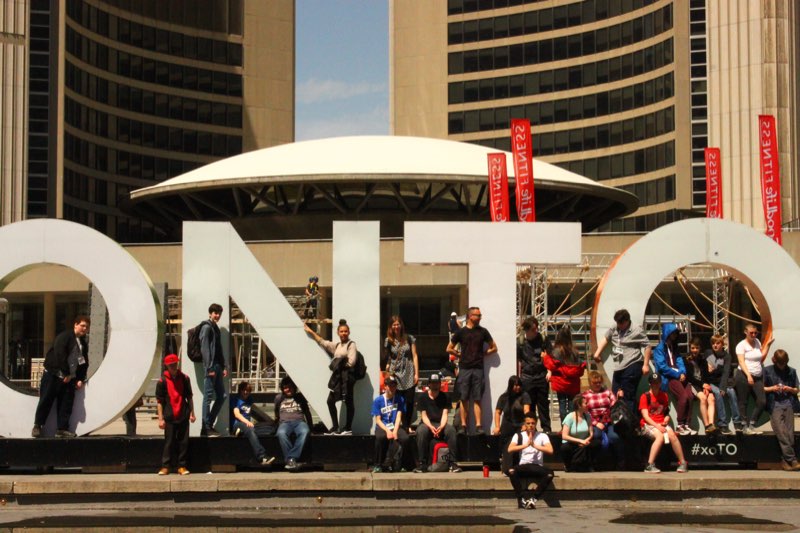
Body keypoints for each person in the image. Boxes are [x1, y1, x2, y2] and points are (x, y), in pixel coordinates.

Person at [32, 315, 90, 438]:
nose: (84, 328)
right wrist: (66, 373)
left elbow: (83, 362)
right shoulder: (65, 337)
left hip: (69, 379)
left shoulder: (83, 343)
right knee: (46, 400)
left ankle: (62, 429)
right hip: (54, 375)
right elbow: (60, 354)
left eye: (87, 326)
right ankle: (37, 426)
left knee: (66, 403)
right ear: (75, 324)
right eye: (82, 325)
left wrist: (79, 378)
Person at [592, 309, 652, 422]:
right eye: (617, 323)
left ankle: (630, 423)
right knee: (615, 394)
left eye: (621, 323)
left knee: (627, 395)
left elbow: (647, 346)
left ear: (627, 321)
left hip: (633, 364)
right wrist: (597, 353)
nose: (619, 325)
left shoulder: (637, 330)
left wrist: (646, 365)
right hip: (619, 366)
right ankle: (618, 420)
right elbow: (606, 338)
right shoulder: (615, 327)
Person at [446, 306, 497, 435]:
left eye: (480, 315)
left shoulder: (483, 332)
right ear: (470, 316)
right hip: (464, 368)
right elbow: (449, 348)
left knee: (477, 398)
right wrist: (459, 355)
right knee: (464, 398)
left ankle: (479, 425)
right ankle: (463, 425)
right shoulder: (461, 332)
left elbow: (494, 347)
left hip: (478, 368)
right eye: (477, 315)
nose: (480, 317)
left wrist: (484, 353)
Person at [305, 318, 357, 435]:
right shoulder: (337, 345)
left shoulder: (351, 344)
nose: (343, 333)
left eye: (345, 331)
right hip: (338, 378)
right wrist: (310, 331)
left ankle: (348, 428)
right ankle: (336, 426)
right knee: (330, 401)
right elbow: (323, 342)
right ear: (338, 333)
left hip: (347, 378)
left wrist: (339, 363)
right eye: (341, 331)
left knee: (348, 401)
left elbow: (352, 361)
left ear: (348, 332)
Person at [639, 373, 689, 474]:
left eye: (657, 383)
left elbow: (666, 412)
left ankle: (683, 462)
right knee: (660, 437)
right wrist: (657, 426)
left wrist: (666, 418)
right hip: (648, 424)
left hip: (661, 423)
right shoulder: (645, 396)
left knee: (673, 436)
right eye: (653, 383)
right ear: (650, 384)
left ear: (660, 383)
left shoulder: (664, 395)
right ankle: (650, 464)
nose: (655, 385)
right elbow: (645, 416)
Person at [652, 323, 696, 435]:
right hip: (668, 378)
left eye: (676, 334)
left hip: (679, 376)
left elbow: (680, 361)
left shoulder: (675, 348)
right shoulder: (659, 349)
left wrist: (683, 373)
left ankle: (687, 424)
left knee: (690, 396)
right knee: (683, 396)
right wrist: (677, 374)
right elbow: (662, 367)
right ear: (667, 334)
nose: (675, 336)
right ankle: (680, 425)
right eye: (672, 334)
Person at [156, 354, 195, 475]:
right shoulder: (162, 381)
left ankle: (182, 466)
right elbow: (160, 402)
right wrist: (160, 419)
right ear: (166, 365)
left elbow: (189, 397)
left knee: (183, 442)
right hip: (169, 416)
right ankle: (165, 466)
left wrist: (192, 413)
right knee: (169, 442)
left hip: (183, 414)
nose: (173, 366)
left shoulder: (185, 378)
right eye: (171, 365)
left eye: (175, 364)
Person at [415, 373, 461, 473]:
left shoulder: (445, 396)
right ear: (429, 384)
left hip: (440, 423)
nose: (435, 385)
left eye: (437, 383)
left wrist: (441, 426)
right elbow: (424, 416)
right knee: (421, 431)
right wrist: (431, 427)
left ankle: (453, 463)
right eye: (433, 383)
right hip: (427, 424)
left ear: (440, 384)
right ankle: (422, 463)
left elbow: (445, 414)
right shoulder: (422, 397)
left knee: (451, 430)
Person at [507, 413, 554, 510]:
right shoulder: (518, 435)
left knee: (550, 474)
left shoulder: (542, 436)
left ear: (536, 424)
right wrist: (526, 445)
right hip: (523, 465)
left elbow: (550, 450)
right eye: (528, 423)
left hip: (537, 466)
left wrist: (535, 446)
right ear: (524, 424)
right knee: (511, 471)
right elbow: (510, 449)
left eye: (533, 423)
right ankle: (521, 499)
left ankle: (534, 499)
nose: (530, 425)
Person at [763, 349, 800, 471]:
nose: (782, 366)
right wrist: (772, 388)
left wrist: (790, 389)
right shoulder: (767, 371)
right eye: (780, 363)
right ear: (775, 361)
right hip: (774, 405)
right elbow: (761, 388)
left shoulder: (792, 371)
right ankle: (793, 460)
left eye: (784, 363)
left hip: (789, 403)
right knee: (782, 433)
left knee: (789, 435)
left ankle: (785, 461)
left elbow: (797, 389)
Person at [735, 323, 773, 435]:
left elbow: (760, 357)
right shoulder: (741, 345)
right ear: (745, 332)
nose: (753, 335)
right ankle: (744, 425)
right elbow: (741, 361)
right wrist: (748, 375)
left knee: (762, 401)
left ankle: (752, 423)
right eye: (751, 332)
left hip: (757, 376)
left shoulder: (757, 342)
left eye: (755, 333)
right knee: (743, 401)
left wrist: (768, 345)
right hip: (743, 375)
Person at [383, 316, 420, 432]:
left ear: (401, 325)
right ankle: (398, 424)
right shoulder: (388, 340)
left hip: (408, 371)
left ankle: (407, 425)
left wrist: (416, 373)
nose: (396, 326)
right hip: (396, 373)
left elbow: (414, 356)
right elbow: (389, 357)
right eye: (393, 324)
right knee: (397, 400)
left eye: (398, 324)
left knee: (409, 401)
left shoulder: (409, 338)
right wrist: (387, 370)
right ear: (390, 327)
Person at [582, 371, 624, 470]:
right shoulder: (585, 395)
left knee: (615, 437)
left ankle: (620, 462)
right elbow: (585, 413)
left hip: (608, 421)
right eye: (595, 383)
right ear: (590, 383)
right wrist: (596, 423)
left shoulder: (607, 392)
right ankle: (594, 462)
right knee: (596, 436)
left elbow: (614, 407)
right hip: (594, 422)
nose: (598, 385)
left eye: (599, 382)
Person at [544, 325, 586, 423]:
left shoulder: (557, 351)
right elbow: (579, 367)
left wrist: (545, 358)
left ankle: (564, 428)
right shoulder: (575, 352)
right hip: (573, 384)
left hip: (560, 383)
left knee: (562, 405)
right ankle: (571, 428)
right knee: (572, 407)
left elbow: (551, 365)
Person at [517, 317, 552, 433]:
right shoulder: (520, 342)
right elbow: (518, 360)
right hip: (527, 377)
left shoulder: (543, 340)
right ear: (527, 330)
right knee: (529, 405)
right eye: (533, 329)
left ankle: (546, 428)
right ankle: (531, 429)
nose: (536, 330)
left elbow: (551, 357)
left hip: (541, 376)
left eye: (536, 328)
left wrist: (549, 370)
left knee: (543, 405)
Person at [493, 375, 531, 473]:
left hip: (520, 424)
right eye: (515, 385)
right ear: (510, 386)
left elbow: (527, 411)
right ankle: (506, 466)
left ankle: (519, 467)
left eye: (519, 385)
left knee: (519, 443)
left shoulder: (524, 395)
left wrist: (525, 424)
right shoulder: (504, 397)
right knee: (507, 446)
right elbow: (498, 412)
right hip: (507, 424)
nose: (517, 387)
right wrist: (497, 427)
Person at [371, 375, 410, 472]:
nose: (392, 388)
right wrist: (388, 431)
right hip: (383, 426)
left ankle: (403, 464)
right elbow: (378, 420)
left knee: (405, 438)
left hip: (395, 425)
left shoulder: (400, 399)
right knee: (380, 437)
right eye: (390, 386)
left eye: (394, 386)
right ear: (385, 387)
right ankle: (378, 464)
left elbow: (398, 416)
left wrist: (395, 431)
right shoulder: (378, 400)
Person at [275, 376, 313, 471]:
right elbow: (276, 412)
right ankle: (291, 460)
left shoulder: (300, 397)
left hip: (299, 422)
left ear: (294, 387)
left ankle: (290, 459)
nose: (288, 389)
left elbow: (307, 412)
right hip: (284, 423)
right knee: (281, 433)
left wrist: (311, 426)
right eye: (285, 388)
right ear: (282, 389)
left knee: (305, 431)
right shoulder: (279, 398)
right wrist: (277, 423)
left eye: (290, 387)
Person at [200, 303, 228, 437]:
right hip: (211, 367)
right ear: (210, 313)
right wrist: (209, 367)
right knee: (208, 397)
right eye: (215, 313)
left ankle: (209, 423)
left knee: (222, 396)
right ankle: (205, 427)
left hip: (217, 366)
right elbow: (205, 349)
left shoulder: (215, 328)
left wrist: (223, 366)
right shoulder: (206, 327)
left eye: (219, 313)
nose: (217, 315)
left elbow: (219, 348)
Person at [232, 381, 275, 466]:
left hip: (247, 425)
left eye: (248, 390)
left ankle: (240, 432)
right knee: (250, 429)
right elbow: (236, 414)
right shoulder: (236, 399)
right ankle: (262, 457)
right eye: (243, 390)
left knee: (267, 428)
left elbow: (255, 412)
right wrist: (247, 422)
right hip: (238, 423)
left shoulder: (249, 400)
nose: (245, 392)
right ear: (240, 390)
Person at [705, 334, 740, 434]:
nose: (715, 345)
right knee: (718, 394)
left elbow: (726, 372)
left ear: (722, 344)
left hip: (722, 381)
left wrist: (723, 387)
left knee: (731, 392)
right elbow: (704, 368)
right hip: (711, 381)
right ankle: (722, 424)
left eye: (717, 343)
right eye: (713, 343)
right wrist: (707, 367)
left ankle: (737, 421)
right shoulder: (708, 353)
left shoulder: (727, 356)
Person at [684, 337, 716, 434]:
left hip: (703, 384)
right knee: (703, 398)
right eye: (693, 348)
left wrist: (705, 386)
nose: (695, 350)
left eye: (697, 348)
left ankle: (711, 424)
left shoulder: (703, 360)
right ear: (690, 348)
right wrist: (703, 385)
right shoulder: (686, 359)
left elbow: (706, 375)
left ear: (700, 348)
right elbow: (689, 377)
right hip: (693, 384)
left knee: (711, 398)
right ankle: (707, 425)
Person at [560, 395, 597, 472]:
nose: (587, 405)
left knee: (596, 444)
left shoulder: (587, 416)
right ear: (579, 405)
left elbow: (591, 433)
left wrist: (586, 440)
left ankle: (588, 465)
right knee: (565, 448)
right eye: (585, 403)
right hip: (572, 442)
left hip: (584, 441)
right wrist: (580, 441)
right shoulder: (570, 417)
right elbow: (564, 436)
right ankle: (569, 465)